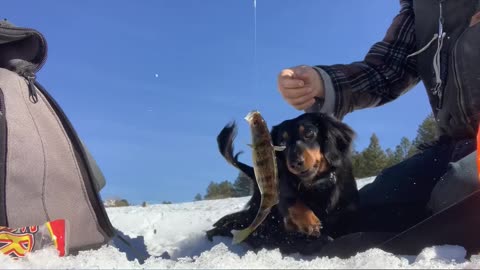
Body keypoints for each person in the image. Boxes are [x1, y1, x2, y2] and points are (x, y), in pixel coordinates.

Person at [277, 0, 480, 233]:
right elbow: (388, 69)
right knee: (359, 211)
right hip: (453, 148)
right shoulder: (419, 10)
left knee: (460, 193)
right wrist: (322, 83)